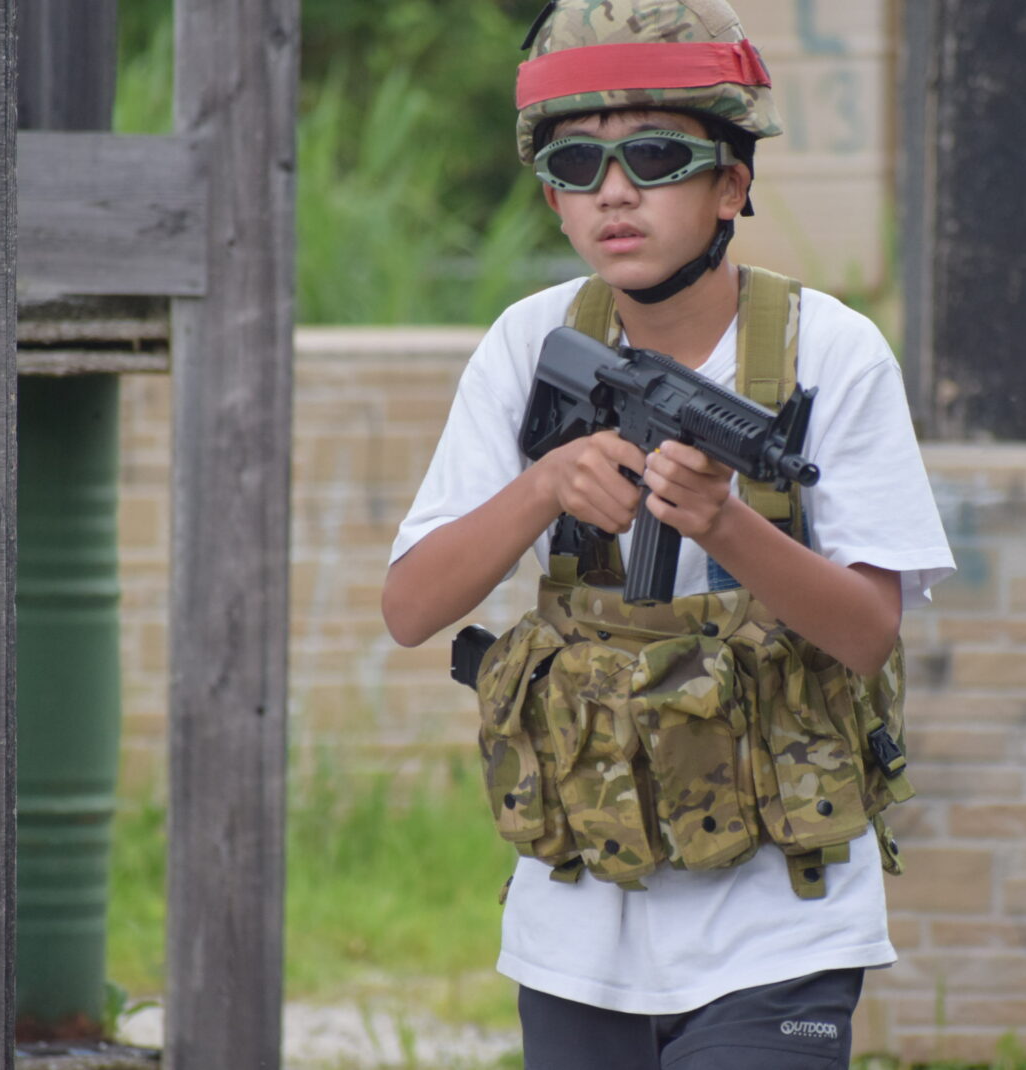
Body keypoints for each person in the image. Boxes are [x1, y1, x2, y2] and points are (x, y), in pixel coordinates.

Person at [382, 2, 955, 1066]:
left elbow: (867, 632)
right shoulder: (529, 342)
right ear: (551, 196)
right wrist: (546, 485)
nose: (613, 191)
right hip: (577, 924)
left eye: (654, 157)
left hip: (782, 918)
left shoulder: (833, 352)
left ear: (731, 185)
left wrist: (726, 523)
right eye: (577, 163)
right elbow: (411, 606)